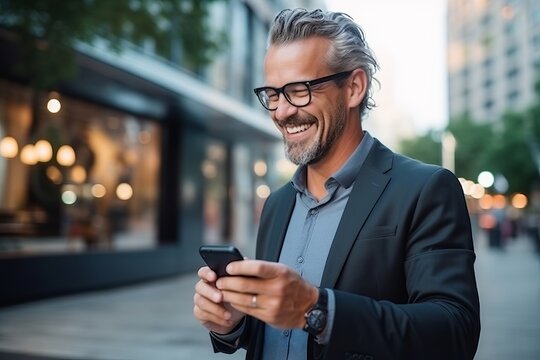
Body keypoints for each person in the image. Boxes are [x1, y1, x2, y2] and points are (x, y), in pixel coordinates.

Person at [193, 8, 480, 360]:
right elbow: (280, 335)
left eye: (299, 90)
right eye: (272, 93)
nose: (282, 112)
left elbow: (455, 332)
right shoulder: (277, 204)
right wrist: (233, 323)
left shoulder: (426, 189)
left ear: (354, 87)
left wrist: (318, 310)